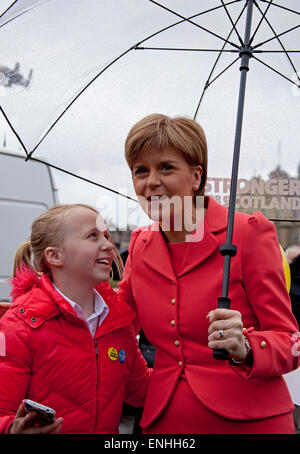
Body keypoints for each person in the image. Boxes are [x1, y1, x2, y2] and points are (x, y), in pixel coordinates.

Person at [118, 113, 300, 434]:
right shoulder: (139, 245)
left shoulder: (248, 233)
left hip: (250, 424)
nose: (151, 181)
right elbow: (116, 328)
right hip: (164, 422)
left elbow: (289, 341)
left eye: (166, 167)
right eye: (141, 170)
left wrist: (245, 347)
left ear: (196, 176)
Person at [0, 204, 150, 434]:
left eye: (107, 236)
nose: (109, 245)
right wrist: (12, 429)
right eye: (93, 236)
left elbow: (144, 392)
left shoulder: (118, 324)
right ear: (55, 256)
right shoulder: (18, 326)